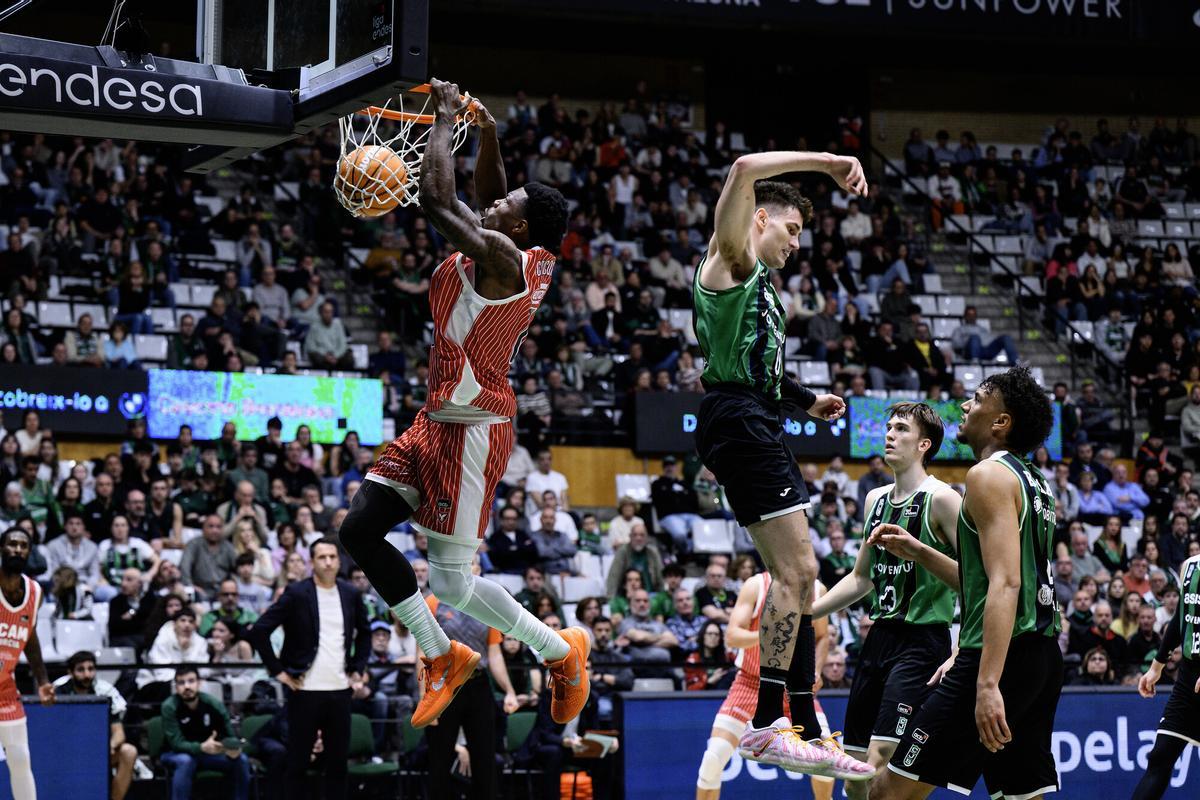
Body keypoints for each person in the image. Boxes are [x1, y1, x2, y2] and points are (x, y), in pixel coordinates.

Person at [337, 80, 588, 731]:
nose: (493, 201)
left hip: (472, 433)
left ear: (517, 225)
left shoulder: (503, 258)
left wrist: (446, 118)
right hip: (434, 421)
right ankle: (440, 653)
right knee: (358, 530)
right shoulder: (514, 245)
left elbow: (439, 197)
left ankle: (560, 651)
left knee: (450, 584)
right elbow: (484, 196)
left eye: (504, 203)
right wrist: (492, 133)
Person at [691, 145, 869, 777]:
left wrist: (805, 400)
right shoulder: (732, 260)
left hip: (753, 416)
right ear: (759, 219)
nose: (797, 243)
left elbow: (760, 373)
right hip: (740, 422)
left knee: (796, 576)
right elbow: (740, 167)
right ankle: (769, 723)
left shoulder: (763, 286)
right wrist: (830, 162)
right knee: (800, 570)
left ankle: (802, 723)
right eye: (792, 229)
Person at [872, 367, 1062, 800]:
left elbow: (1006, 584)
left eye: (976, 399)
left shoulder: (986, 476)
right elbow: (992, 582)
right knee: (1021, 795)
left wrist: (986, 679)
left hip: (997, 658)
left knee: (887, 792)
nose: (964, 405)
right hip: (1041, 656)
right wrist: (921, 552)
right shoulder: (1034, 481)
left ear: (1000, 421)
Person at [811, 402, 961, 795]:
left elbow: (979, 581)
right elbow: (861, 578)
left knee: (879, 760)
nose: (889, 435)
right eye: (888, 427)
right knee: (853, 774)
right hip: (878, 638)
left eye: (901, 429)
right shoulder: (874, 500)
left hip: (922, 641)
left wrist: (961, 648)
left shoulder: (943, 499)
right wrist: (807, 613)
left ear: (924, 444)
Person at [245, 538, 371, 800]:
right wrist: (278, 671)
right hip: (304, 691)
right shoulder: (296, 593)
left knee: (338, 765)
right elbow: (259, 631)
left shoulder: (350, 593)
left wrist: (357, 667)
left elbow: (365, 633)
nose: (327, 562)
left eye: (332, 557)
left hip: (340, 691)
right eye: (322, 557)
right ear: (312, 562)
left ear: (339, 560)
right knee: (297, 764)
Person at [1132, 552, 1200, 800]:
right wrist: (1156, 666)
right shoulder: (1191, 566)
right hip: (1188, 677)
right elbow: (1182, 617)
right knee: (1160, 758)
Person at [0, 528, 54, 800]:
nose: (18, 550)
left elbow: (30, 638)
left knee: (21, 759)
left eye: (23, 545)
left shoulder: (34, 592)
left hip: (5, 688)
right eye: (12, 544)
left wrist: (43, 680)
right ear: (2, 548)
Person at [52, 650, 139, 800]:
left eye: (91, 669)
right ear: (71, 672)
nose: (87, 675)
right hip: (68, 750)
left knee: (128, 752)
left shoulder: (105, 691)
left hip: (99, 750)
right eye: (81, 670)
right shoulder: (58, 691)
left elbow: (119, 733)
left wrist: (110, 746)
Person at [159, 667, 250, 800]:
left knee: (241, 760)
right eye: (181, 683)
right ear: (176, 686)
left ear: (199, 683)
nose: (187, 686)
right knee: (185, 761)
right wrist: (201, 747)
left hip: (209, 754)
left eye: (191, 681)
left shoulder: (213, 704)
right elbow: (176, 743)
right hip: (174, 753)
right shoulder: (169, 706)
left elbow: (229, 736)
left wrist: (230, 748)